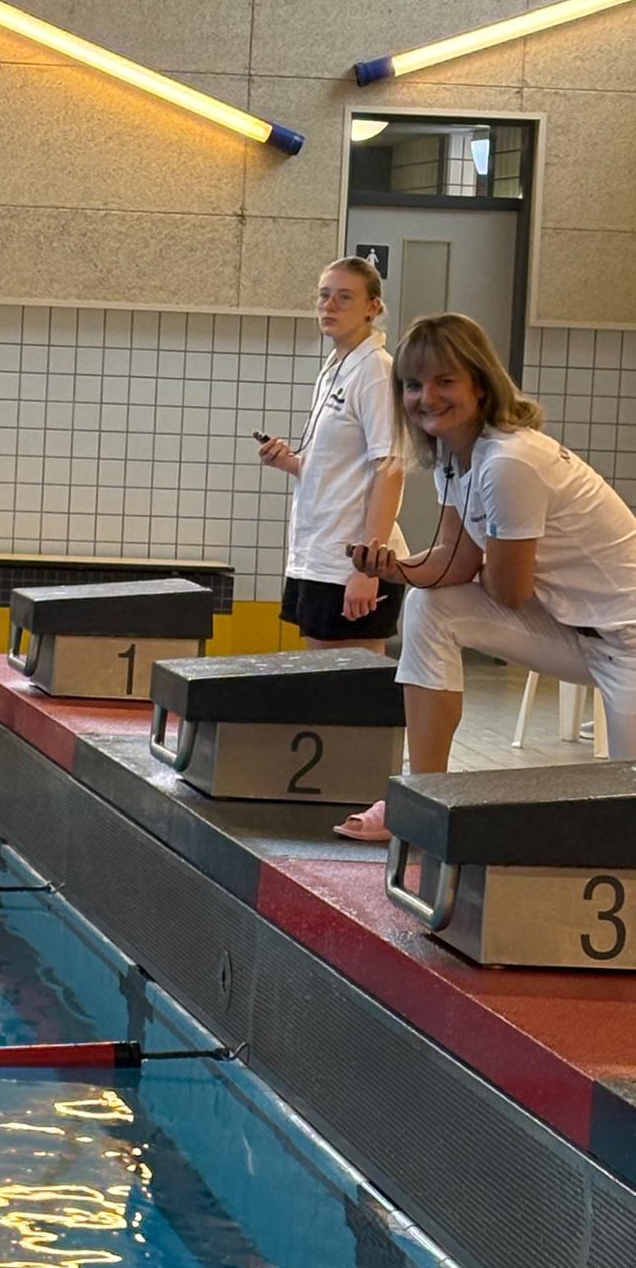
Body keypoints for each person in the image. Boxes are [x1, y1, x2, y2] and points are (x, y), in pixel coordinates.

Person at [339, 312, 636, 840]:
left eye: (444, 381)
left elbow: (510, 592)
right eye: (413, 385)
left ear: (480, 383)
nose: (427, 397)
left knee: (622, 826)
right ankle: (422, 796)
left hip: (627, 643)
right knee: (431, 605)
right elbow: (454, 561)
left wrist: (464, 566)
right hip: (580, 636)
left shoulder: (509, 461)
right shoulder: (457, 457)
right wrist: (394, 569)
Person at [258, 257, 406, 654]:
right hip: (320, 552)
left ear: (373, 307)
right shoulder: (335, 367)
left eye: (344, 297)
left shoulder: (375, 370)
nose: (329, 306)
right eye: (324, 296)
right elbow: (340, 469)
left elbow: (390, 469)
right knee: (322, 677)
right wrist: (291, 462)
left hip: (351, 561)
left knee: (350, 682)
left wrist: (367, 568)